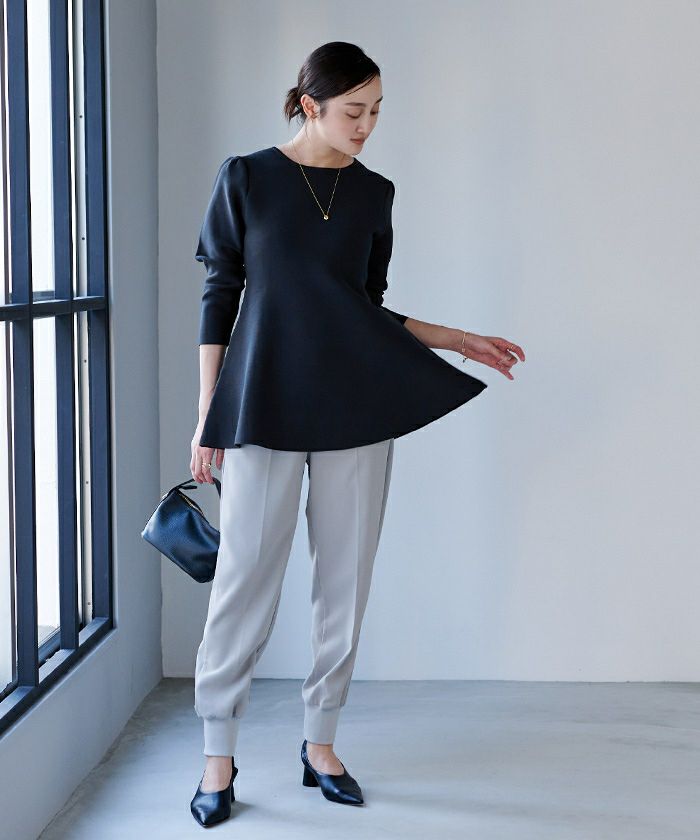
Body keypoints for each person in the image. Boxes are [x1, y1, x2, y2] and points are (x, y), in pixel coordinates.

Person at [188, 41, 525, 827]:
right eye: (353, 111)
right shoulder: (246, 178)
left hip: (356, 406)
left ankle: (321, 744)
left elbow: (362, 309)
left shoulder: (374, 193)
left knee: (345, 580)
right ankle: (217, 753)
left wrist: (459, 340)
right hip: (262, 403)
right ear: (310, 105)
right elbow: (220, 293)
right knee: (244, 578)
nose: (367, 125)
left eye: (376, 111)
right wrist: (208, 410)